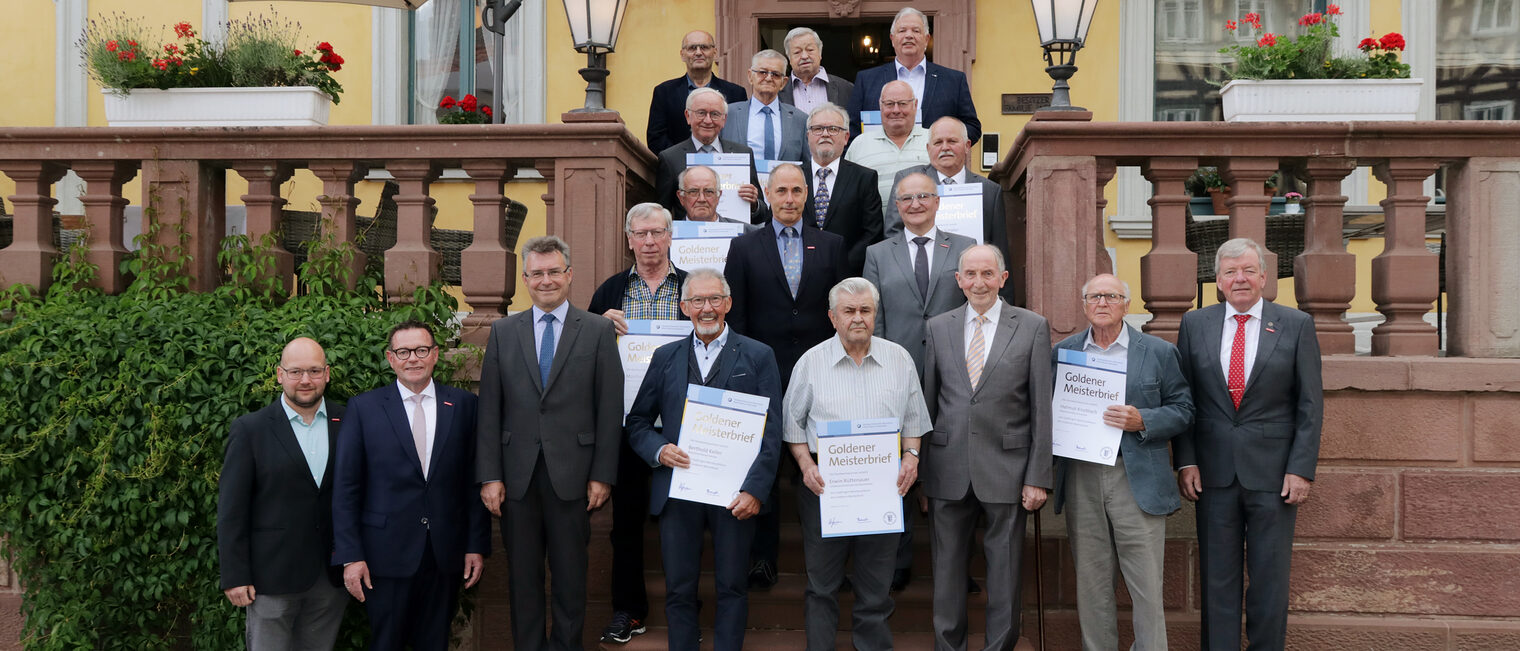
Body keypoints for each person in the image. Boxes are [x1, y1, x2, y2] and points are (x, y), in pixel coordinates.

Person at [1173, 237, 1322, 651]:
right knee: (1216, 579)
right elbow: (1184, 399)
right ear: (1218, 280)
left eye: (1248, 270)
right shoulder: (1194, 324)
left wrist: (1300, 468)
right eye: (1230, 272)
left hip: (1275, 476)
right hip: (1213, 474)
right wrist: (1186, 462)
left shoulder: (1295, 325)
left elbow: (1310, 404)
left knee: (1269, 579)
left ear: (1264, 277)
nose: (1240, 279)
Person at [476, 236, 624, 651]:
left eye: (554, 271)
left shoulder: (596, 330)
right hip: (515, 477)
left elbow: (609, 408)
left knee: (570, 577)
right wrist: (489, 475)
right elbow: (489, 408)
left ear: (569, 275)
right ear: (525, 279)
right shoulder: (504, 331)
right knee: (521, 578)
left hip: (574, 477)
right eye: (537, 273)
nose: (546, 280)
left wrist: (602, 475)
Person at [625, 268, 784, 651]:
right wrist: (659, 450)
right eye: (697, 301)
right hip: (678, 491)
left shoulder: (758, 355)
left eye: (714, 299)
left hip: (735, 495)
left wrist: (755, 490)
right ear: (684, 307)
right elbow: (638, 422)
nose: (707, 308)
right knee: (679, 589)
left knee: (732, 586)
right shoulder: (665, 357)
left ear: (728, 303)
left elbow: (771, 430)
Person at [781, 277, 932, 651]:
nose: (858, 318)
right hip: (824, 487)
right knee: (822, 587)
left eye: (866, 310)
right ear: (833, 317)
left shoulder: (899, 359)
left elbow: (914, 421)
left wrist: (911, 458)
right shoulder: (811, 362)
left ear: (875, 315)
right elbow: (792, 426)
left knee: (876, 588)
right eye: (849, 311)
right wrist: (804, 465)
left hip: (884, 487)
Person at [920, 244, 1052, 651]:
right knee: (946, 572)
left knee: (1005, 574)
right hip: (947, 466)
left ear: (1003, 278)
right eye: (971, 275)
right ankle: (949, 646)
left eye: (987, 274)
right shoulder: (938, 327)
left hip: (1009, 469)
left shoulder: (1031, 326)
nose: (979, 282)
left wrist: (1037, 476)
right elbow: (928, 401)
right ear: (958, 280)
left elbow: (1041, 408)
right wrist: (923, 472)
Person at [1053, 274, 1194, 651]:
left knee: (1146, 583)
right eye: (1094, 296)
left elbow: (1184, 410)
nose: (1102, 302)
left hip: (1137, 477)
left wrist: (1144, 420)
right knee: (1092, 581)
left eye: (1111, 296)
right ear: (1084, 305)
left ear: (1126, 305)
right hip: (1082, 474)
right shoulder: (1065, 352)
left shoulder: (1159, 352)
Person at [723, 162, 847, 590]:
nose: (790, 199)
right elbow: (734, 317)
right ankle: (762, 558)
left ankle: (835, 563)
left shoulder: (831, 246)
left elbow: (841, 314)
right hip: (763, 370)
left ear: (807, 194)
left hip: (821, 372)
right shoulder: (743, 248)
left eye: (797, 190)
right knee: (767, 463)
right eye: (782, 191)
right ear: (768, 195)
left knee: (825, 462)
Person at [332, 322, 489, 651]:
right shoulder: (364, 408)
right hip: (383, 556)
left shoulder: (462, 406)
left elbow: (473, 481)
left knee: (435, 643)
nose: (412, 359)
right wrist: (350, 555)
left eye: (421, 350)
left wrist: (475, 544)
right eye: (403, 352)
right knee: (387, 643)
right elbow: (346, 487)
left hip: (444, 553)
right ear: (391, 358)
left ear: (434, 355)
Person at [586, 204, 686, 644]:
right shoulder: (609, 292)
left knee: (682, 519)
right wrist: (595, 327)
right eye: (641, 234)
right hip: (626, 425)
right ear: (629, 239)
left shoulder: (691, 289)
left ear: (670, 237)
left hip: (682, 425)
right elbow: (583, 356)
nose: (649, 242)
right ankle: (628, 610)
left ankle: (684, 606)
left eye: (657, 233)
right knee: (625, 523)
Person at [218, 337, 348, 651]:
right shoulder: (251, 429)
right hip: (270, 578)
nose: (306, 380)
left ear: (327, 374)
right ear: (279, 375)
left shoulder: (348, 421)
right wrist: (235, 575)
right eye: (296, 372)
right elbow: (231, 510)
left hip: (329, 578)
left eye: (315, 371)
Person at [863, 171, 975, 374]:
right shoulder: (877, 254)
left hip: (953, 363)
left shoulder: (964, 248)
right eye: (907, 198)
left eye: (923, 196)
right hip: (896, 365)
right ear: (897, 206)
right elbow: (873, 316)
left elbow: (974, 305)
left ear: (937, 202)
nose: (915, 204)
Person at [846, 7, 981, 142]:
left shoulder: (953, 81)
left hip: (933, 161)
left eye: (916, 31)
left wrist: (945, 142)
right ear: (892, 39)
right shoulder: (867, 80)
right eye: (902, 30)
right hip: (879, 161)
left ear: (927, 39)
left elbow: (972, 128)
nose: (908, 35)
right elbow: (851, 131)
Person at [656, 88, 763, 222]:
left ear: (724, 119)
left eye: (715, 114)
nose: (708, 120)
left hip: (736, 238)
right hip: (690, 241)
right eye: (701, 113)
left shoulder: (743, 153)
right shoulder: (670, 158)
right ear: (688, 116)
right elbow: (661, 214)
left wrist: (754, 204)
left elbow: (763, 213)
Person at [800, 103, 883, 276]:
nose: (825, 134)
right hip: (799, 273)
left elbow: (872, 233)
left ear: (846, 137)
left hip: (848, 276)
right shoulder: (792, 176)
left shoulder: (864, 178)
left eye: (833, 129)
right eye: (818, 129)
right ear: (808, 136)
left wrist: (841, 265)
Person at [648, 30, 749, 154]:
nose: (698, 52)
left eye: (704, 47)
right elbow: (656, 138)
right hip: (679, 169)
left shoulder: (736, 93)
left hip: (725, 167)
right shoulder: (664, 92)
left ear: (714, 52)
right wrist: (682, 160)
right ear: (682, 54)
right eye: (692, 48)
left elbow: (740, 136)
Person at [844, 81, 931, 209]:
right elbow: (847, 192)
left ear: (915, 105)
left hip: (924, 227)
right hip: (874, 228)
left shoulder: (934, 139)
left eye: (902, 104)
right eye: (889, 104)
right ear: (881, 106)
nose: (896, 110)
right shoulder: (859, 144)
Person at [720, 50, 809, 163]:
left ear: (783, 83)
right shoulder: (727, 114)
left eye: (776, 74)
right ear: (750, 76)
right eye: (762, 72)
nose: (768, 78)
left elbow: (807, 164)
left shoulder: (800, 119)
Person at [778, 27, 855, 115]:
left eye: (810, 50)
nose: (804, 56)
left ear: (820, 53)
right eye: (797, 52)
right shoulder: (778, 90)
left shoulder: (846, 88)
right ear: (789, 58)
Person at [678, 165, 758, 229]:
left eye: (709, 192)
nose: (701, 199)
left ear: (718, 196)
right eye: (693, 192)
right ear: (681, 197)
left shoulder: (747, 233)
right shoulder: (669, 236)